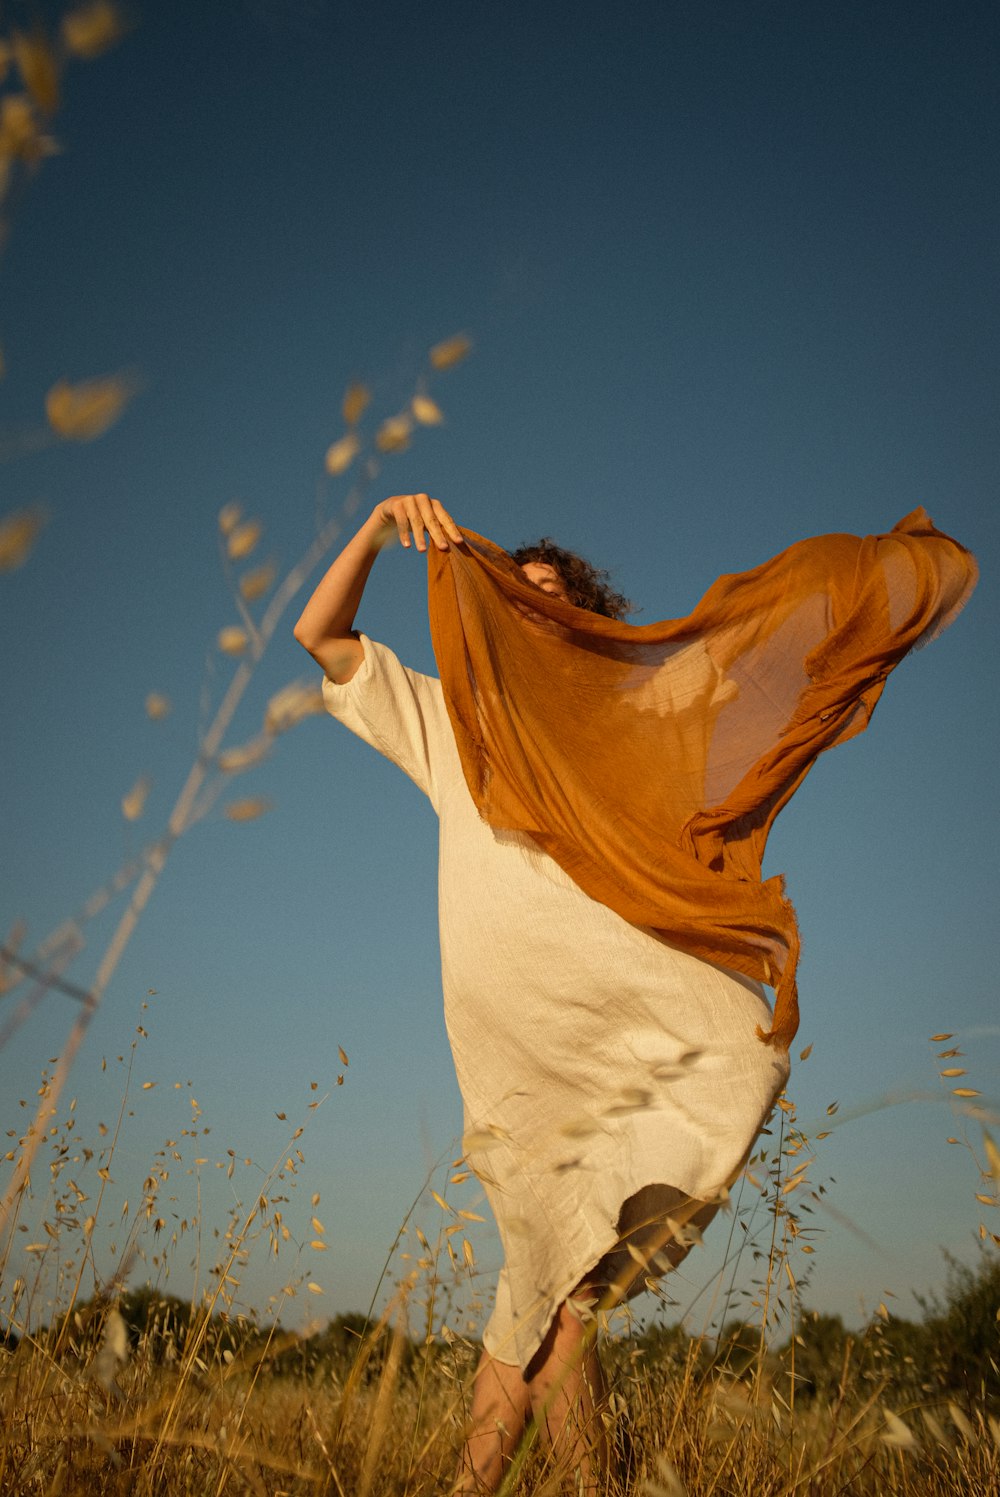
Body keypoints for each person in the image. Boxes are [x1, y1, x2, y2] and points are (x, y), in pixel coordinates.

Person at [295, 493, 975, 1493]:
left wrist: (848, 611)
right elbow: (321, 634)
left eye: (553, 602)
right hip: (515, 1052)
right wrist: (374, 527)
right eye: (512, 598)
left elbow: (740, 675)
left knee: (552, 1303)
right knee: (550, 1309)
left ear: (581, 625)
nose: (530, 614)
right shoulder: (450, 721)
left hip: (615, 1040)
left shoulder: (624, 730)